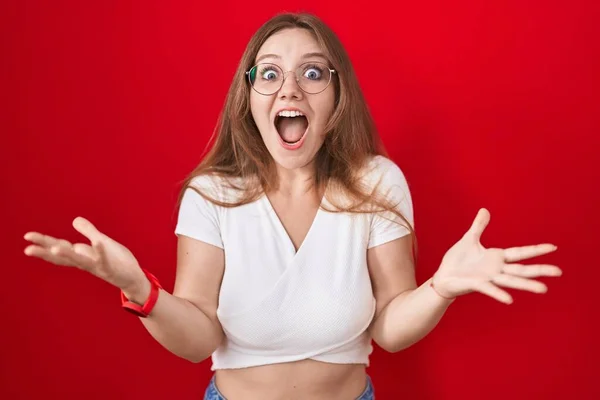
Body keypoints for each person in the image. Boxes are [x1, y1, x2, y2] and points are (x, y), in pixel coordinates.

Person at [23, 12, 562, 400]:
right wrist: (141, 290)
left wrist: (441, 288)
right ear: (250, 96)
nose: (290, 90)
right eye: (270, 73)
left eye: (312, 72)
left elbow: (390, 328)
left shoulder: (377, 182)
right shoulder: (212, 194)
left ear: (337, 95)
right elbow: (199, 338)